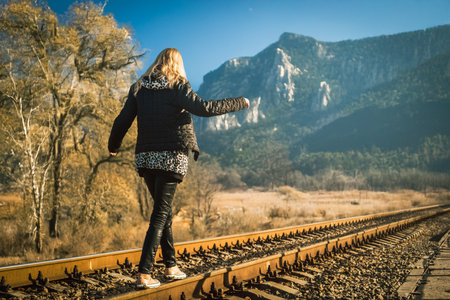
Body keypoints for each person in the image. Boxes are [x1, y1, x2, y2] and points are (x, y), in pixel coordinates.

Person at [108, 48, 249, 288]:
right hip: (171, 157)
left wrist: (114, 144)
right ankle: (144, 273)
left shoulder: (139, 88)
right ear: (177, 64)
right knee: (161, 214)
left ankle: (171, 265)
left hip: (146, 158)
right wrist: (239, 102)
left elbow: (123, 118)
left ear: (157, 62)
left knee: (164, 213)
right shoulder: (177, 85)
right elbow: (205, 108)